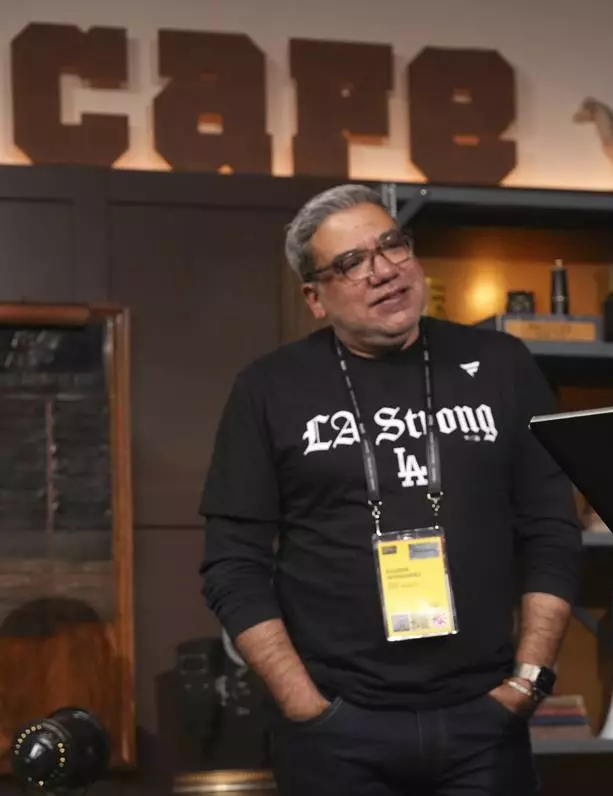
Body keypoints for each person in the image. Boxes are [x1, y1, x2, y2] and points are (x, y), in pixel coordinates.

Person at [198, 184, 582, 796]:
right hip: (336, 732)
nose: (382, 271)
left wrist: (527, 682)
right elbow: (232, 566)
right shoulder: (269, 390)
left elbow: (552, 530)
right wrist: (304, 705)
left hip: (483, 723)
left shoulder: (503, 365)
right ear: (314, 298)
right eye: (350, 263)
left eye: (392, 245)